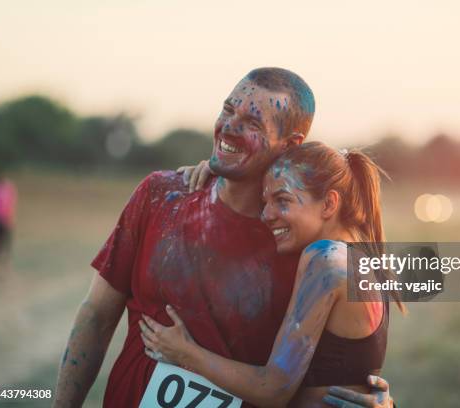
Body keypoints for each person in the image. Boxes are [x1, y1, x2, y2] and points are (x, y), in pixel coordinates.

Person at [54, 68, 394, 407]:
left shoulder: (297, 243)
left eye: (252, 122)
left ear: (290, 145)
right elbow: (97, 315)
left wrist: (379, 401)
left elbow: (341, 361)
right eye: (228, 110)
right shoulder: (161, 195)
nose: (230, 126)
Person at [139, 141, 404, 407]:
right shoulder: (368, 261)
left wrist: (185, 352)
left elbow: (273, 388)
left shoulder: (324, 259)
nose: (266, 214)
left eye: (282, 200)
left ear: (329, 204)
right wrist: (219, 170)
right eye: (265, 202)